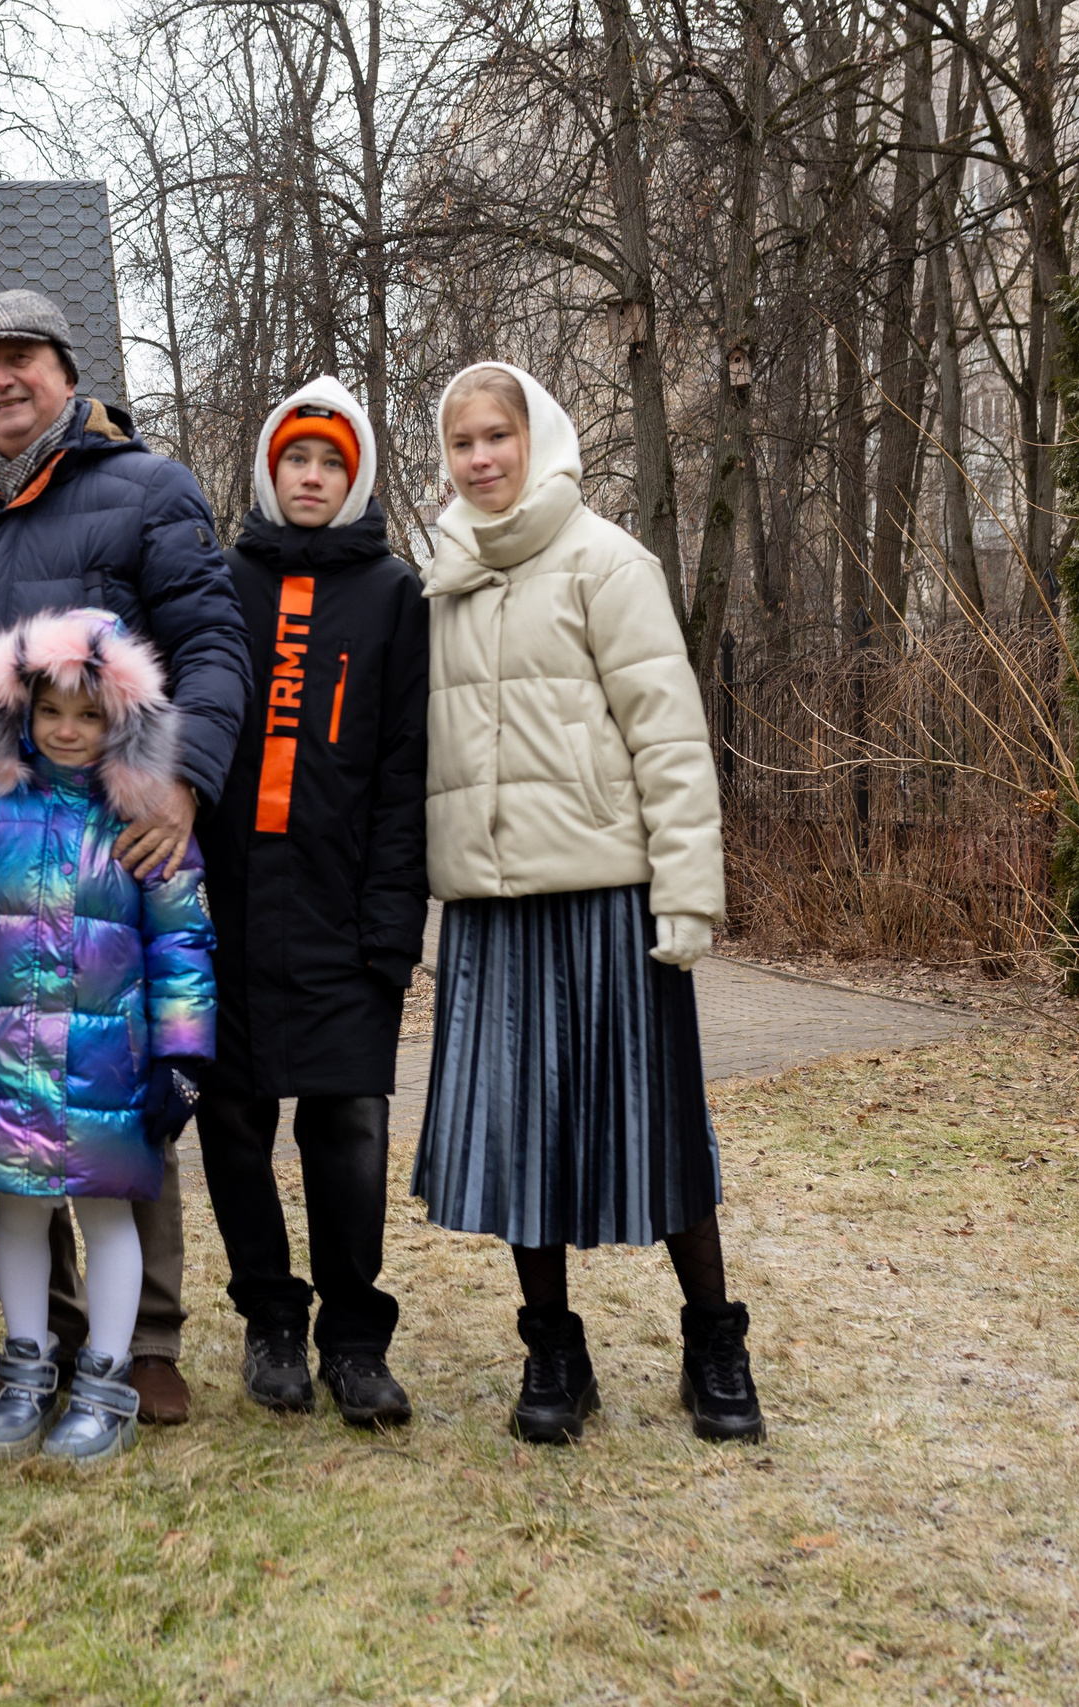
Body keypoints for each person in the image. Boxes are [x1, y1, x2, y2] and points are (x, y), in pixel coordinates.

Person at [411, 361, 763, 1445]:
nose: (480, 458)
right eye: (462, 441)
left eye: (496, 437)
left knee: (656, 1131)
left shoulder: (607, 562)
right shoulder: (442, 578)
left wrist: (688, 897)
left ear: (536, 439)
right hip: (491, 909)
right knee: (519, 1142)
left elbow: (667, 737)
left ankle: (713, 1345)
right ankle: (553, 1355)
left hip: (608, 902)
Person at [0, 289, 250, 1426]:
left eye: (21, 361)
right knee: (15, 1102)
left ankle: (142, 1343)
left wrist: (182, 779)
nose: (1, 382)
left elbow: (210, 642)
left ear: (68, 372)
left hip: (120, 840)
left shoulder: (146, 489)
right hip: (4, 849)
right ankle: (42, 1341)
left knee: (118, 1101)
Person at [0, 610, 215, 1467]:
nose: (69, 731)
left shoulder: (146, 812)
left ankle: (108, 1376)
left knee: (109, 1211)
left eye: (88, 713)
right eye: (52, 712)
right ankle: (27, 1364)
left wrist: (184, 1054)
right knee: (19, 1209)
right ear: (22, 712)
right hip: (1, 1054)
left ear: (120, 716)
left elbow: (182, 943)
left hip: (108, 1058)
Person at [194, 378, 429, 1431]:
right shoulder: (216, 581)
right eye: (296, 459)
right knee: (235, 1124)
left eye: (332, 464)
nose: (311, 476)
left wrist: (391, 928)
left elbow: (402, 770)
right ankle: (270, 1322)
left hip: (342, 917)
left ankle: (353, 1337)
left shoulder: (391, 595)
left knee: (348, 1127)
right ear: (266, 468)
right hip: (230, 915)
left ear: (358, 478)